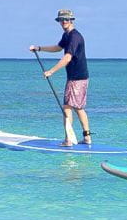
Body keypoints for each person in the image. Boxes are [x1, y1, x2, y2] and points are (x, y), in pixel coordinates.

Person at [29, 9, 91, 146]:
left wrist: (51, 71)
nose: (64, 22)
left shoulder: (75, 37)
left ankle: (69, 140)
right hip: (78, 77)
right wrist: (39, 48)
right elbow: (58, 48)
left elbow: (67, 57)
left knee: (68, 107)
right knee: (77, 107)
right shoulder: (67, 35)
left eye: (67, 19)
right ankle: (86, 138)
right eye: (61, 20)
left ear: (71, 20)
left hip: (77, 78)